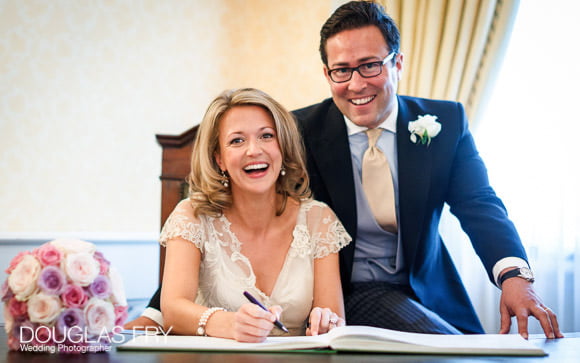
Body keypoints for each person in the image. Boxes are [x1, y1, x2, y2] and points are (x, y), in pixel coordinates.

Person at [129, 0, 562, 339]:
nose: (356, 84)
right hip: (341, 298)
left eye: (370, 65)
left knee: (475, 346)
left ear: (397, 63)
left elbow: (479, 204)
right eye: (341, 70)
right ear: (326, 72)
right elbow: (222, 220)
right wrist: (156, 310)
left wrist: (513, 276)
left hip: (429, 293)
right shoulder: (298, 131)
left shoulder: (444, 123)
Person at [156, 88, 350, 341]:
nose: (253, 150)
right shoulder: (191, 215)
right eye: (237, 140)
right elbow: (172, 309)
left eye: (267, 136)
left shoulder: (319, 219)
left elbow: (333, 317)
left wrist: (328, 322)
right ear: (219, 160)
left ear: (283, 147)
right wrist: (229, 324)